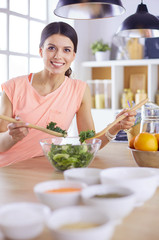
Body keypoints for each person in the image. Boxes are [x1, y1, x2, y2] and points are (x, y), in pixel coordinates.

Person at [0, 22, 136, 167]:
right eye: (51, 48)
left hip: (45, 168)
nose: (58, 56)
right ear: (41, 51)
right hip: (8, 168)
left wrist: (115, 127)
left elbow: (89, 142)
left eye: (66, 50)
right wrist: (12, 136)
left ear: (73, 55)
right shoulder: (13, 87)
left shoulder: (79, 90)